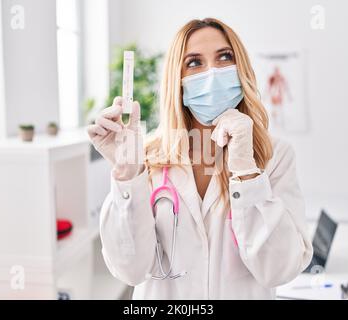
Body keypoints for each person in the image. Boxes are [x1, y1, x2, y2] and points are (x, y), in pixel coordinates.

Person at [87, 17, 313, 299]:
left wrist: (246, 171)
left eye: (224, 57)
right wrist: (126, 174)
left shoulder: (275, 156)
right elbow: (130, 270)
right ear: (178, 82)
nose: (212, 73)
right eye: (194, 63)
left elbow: (280, 269)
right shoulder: (144, 157)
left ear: (240, 68)